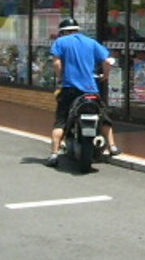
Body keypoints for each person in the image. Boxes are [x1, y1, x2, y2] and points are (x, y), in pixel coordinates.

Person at [47, 17, 120, 166]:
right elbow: (108, 61)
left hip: (69, 88)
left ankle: (54, 155)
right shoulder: (91, 42)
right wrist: (105, 76)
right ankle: (112, 146)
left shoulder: (60, 42)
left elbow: (56, 63)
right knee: (102, 116)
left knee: (61, 120)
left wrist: (61, 78)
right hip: (90, 89)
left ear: (62, 32)